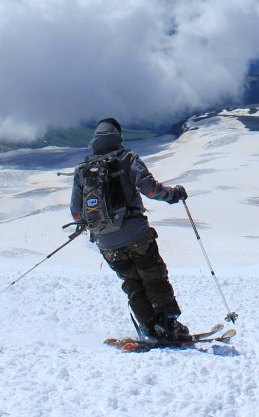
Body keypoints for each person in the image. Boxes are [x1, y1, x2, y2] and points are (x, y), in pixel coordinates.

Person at [69, 117, 190, 341]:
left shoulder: (83, 170)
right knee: (153, 275)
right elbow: (151, 190)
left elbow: (76, 212)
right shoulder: (128, 159)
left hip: (106, 242)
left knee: (132, 282)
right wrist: (174, 195)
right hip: (136, 234)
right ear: (118, 136)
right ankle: (169, 325)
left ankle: (149, 328)